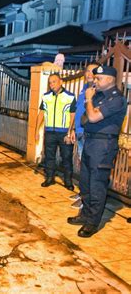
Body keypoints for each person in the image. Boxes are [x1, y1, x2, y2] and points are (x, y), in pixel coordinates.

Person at [67, 65, 127, 238]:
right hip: (90, 141)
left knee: (97, 185)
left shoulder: (116, 99)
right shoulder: (98, 96)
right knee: (85, 182)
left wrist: (89, 102)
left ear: (109, 79)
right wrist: (91, 108)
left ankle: (92, 223)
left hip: (103, 145)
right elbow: (85, 120)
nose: (94, 81)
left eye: (98, 78)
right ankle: (84, 215)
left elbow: (92, 117)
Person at [35, 74, 77, 190]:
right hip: (49, 132)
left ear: (61, 82)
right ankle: (49, 178)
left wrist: (70, 132)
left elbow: (73, 115)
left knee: (66, 158)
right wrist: (36, 130)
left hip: (64, 133)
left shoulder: (70, 97)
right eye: (50, 82)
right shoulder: (46, 97)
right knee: (49, 157)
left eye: (54, 82)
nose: (51, 84)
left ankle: (68, 181)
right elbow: (41, 114)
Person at [69, 63, 98, 208]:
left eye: (92, 71)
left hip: (89, 134)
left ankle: (87, 199)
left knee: (89, 168)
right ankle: (82, 193)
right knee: (83, 166)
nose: (88, 74)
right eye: (87, 71)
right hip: (80, 132)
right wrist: (73, 129)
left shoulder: (97, 91)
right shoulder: (84, 89)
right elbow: (79, 110)